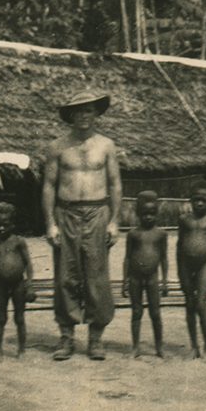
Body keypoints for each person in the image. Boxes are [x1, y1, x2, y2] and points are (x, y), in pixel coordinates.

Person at [42, 88, 122, 361]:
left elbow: (114, 183)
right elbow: (49, 185)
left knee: (97, 275)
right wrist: (50, 223)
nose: (84, 116)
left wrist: (114, 220)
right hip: (66, 214)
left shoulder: (106, 145)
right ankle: (66, 338)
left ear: (96, 113)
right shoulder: (57, 147)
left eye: (89, 110)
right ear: (70, 115)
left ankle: (96, 339)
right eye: (79, 111)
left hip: (98, 212)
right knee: (66, 276)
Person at [177, 179, 206, 362]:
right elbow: (179, 246)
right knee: (189, 305)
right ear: (190, 201)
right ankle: (194, 346)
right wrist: (180, 272)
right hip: (186, 268)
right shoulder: (184, 220)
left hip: (203, 266)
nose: (199, 203)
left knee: (201, 305)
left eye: (204, 200)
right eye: (196, 200)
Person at [122, 191, 169, 358]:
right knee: (136, 312)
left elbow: (163, 258)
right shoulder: (133, 234)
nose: (148, 217)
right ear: (137, 214)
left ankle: (159, 347)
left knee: (155, 313)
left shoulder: (161, 234)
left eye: (152, 214)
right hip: (135, 278)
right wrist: (124, 281)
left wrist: (164, 281)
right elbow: (127, 258)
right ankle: (135, 347)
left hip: (152, 279)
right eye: (144, 214)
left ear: (157, 213)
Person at [0, 202, 36, 356]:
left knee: (19, 318)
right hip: (0, 286)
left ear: (12, 225)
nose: (1, 228)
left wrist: (29, 285)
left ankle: (21, 349)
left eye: (5, 225)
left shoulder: (18, 242)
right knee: (0, 319)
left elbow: (28, 264)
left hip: (18, 285)